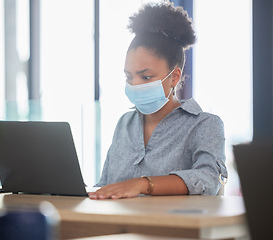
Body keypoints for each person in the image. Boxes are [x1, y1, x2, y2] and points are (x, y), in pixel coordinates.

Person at [89, 2, 227, 200]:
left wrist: (144, 184)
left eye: (146, 77)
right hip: (119, 226)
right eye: (129, 77)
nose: (135, 84)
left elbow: (209, 179)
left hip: (172, 229)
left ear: (174, 76)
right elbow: (106, 186)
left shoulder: (205, 125)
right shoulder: (124, 124)